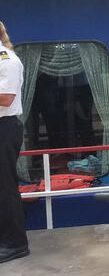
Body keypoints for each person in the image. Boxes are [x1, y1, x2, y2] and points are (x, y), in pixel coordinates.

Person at [0, 21, 28, 264]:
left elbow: (7, 98)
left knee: (5, 186)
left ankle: (16, 243)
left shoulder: (6, 60)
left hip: (5, 127)